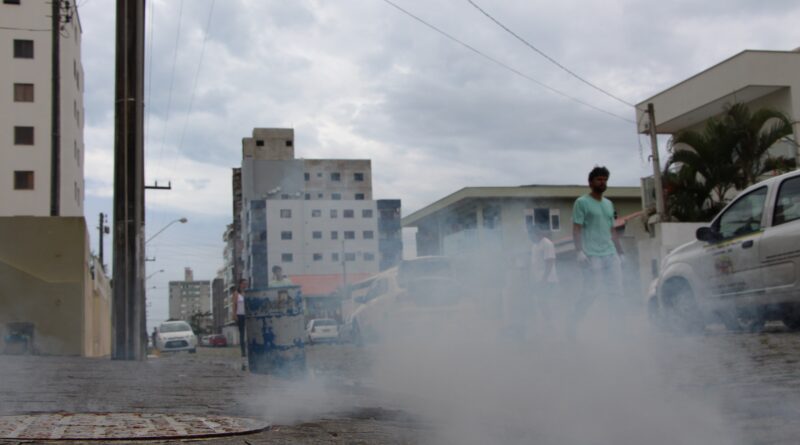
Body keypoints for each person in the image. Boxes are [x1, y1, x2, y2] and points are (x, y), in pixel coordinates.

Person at [570, 166, 625, 336]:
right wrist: (579, 252)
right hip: (591, 255)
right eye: (599, 179)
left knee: (616, 292)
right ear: (590, 182)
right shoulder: (582, 202)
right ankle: (572, 324)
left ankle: (618, 330)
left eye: (605, 179)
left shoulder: (609, 204)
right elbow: (576, 229)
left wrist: (620, 252)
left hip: (610, 253)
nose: (603, 182)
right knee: (591, 293)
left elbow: (612, 230)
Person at [529, 227, 557, 327]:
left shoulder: (547, 244)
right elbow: (534, 264)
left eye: (531, 235)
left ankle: (551, 325)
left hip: (548, 280)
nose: (530, 237)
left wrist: (544, 279)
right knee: (541, 303)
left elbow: (550, 262)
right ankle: (547, 324)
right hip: (538, 279)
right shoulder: (534, 245)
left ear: (538, 233)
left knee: (545, 302)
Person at [231, 279, 248, 357]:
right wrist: (234, 315)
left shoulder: (247, 293)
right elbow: (234, 305)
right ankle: (243, 351)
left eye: (246, 284)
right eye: (243, 284)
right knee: (242, 334)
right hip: (240, 315)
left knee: (249, 333)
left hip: (247, 315)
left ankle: (249, 350)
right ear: (240, 284)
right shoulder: (236, 293)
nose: (245, 285)